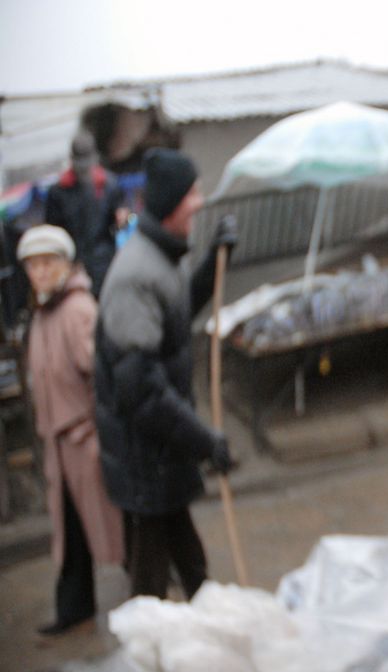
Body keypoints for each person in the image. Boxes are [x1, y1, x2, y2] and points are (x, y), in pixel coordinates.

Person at [94, 148, 237, 600]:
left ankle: (205, 632)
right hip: (146, 456)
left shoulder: (162, 256)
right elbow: (141, 392)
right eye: (192, 194)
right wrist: (204, 440)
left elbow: (172, 323)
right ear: (171, 202)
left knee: (189, 561)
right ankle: (150, 660)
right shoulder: (134, 276)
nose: (199, 202)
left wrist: (216, 258)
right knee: (151, 584)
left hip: (161, 451)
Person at [18, 225, 126, 635]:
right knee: (74, 532)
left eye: (48, 263)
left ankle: (152, 588)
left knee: (114, 521)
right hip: (60, 445)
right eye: (33, 265)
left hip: (84, 440)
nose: (40, 272)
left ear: (65, 265)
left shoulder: (77, 310)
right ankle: (74, 608)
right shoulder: (44, 313)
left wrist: (97, 432)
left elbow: (103, 375)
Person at [44, 130, 127, 297]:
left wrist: (122, 218)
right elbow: (53, 232)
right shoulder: (59, 191)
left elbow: (120, 216)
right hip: (72, 264)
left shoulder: (109, 185)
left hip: (103, 262)